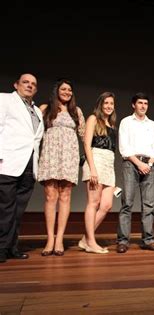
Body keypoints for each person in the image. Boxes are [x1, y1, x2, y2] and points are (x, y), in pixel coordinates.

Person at [37, 79, 85, 256]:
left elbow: (84, 136)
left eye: (70, 90)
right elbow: (35, 134)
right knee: (51, 196)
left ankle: (59, 239)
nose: (67, 92)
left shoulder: (76, 111)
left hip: (69, 156)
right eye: (64, 89)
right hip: (50, 155)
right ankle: (50, 238)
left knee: (65, 196)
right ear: (56, 90)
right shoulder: (45, 109)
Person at [0, 73, 44, 263]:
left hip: (28, 166)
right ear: (16, 84)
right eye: (25, 82)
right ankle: (1, 248)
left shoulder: (37, 111)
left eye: (33, 84)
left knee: (18, 211)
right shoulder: (5, 100)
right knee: (5, 209)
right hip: (7, 163)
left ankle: (11, 247)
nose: (29, 86)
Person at [116, 93, 154, 253]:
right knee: (127, 203)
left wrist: (148, 164)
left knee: (149, 204)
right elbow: (124, 148)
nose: (143, 106)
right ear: (133, 105)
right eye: (140, 103)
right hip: (131, 163)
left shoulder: (153, 125)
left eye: (145, 103)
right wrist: (139, 163)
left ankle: (148, 240)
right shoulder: (126, 122)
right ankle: (122, 241)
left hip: (149, 165)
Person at [79, 92, 117, 254]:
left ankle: (84, 239)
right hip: (96, 160)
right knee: (93, 203)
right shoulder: (93, 119)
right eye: (106, 103)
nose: (109, 106)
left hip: (109, 163)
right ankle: (91, 242)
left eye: (111, 103)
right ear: (101, 104)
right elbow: (87, 145)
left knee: (107, 204)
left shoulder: (112, 124)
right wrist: (92, 169)